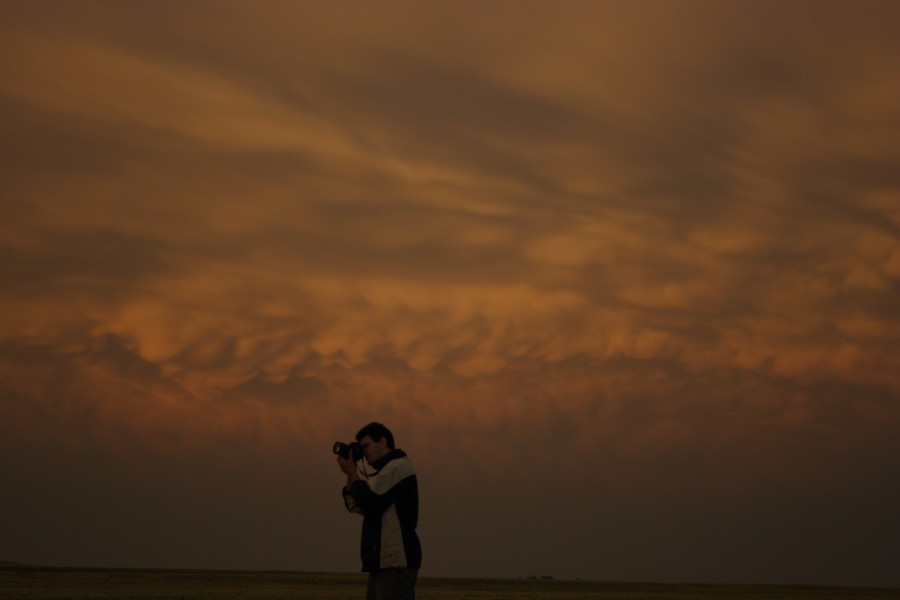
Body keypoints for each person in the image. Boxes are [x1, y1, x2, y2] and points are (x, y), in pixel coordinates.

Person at [338, 422, 422, 600]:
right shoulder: (384, 474)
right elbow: (356, 505)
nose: (364, 452)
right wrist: (349, 474)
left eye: (366, 446)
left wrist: (353, 473)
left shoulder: (399, 467)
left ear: (383, 442)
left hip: (396, 562)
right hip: (382, 562)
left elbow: (371, 502)